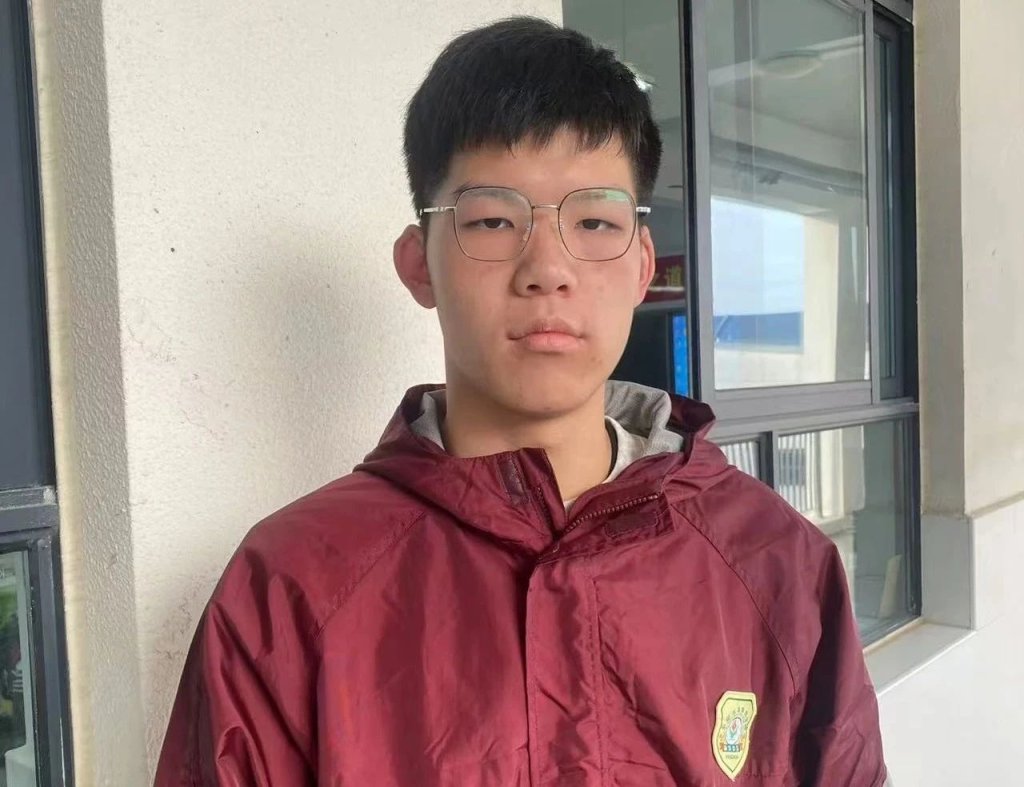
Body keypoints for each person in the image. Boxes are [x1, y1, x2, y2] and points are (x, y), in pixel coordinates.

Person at [155, 17, 889, 786]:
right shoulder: (289, 585)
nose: (548, 268)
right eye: (493, 220)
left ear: (643, 265)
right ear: (419, 263)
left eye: (594, 221)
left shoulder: (775, 560)